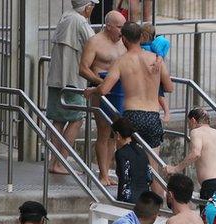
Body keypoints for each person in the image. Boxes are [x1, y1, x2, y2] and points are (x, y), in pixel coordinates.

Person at [85, 21, 174, 163]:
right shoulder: (156, 59)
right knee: (153, 169)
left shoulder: (121, 61)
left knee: (127, 165)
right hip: (153, 116)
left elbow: (104, 89)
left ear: (124, 39)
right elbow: (169, 88)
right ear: (140, 37)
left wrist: (92, 90)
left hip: (132, 115)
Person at [46, 0, 97, 175]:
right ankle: (61, 162)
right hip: (72, 79)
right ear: (87, 7)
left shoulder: (65, 16)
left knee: (58, 120)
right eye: (92, 6)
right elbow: (94, 43)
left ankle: (54, 162)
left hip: (56, 77)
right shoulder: (80, 21)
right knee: (77, 119)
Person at [79, 10, 126, 187]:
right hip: (101, 91)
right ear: (108, 26)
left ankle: (108, 172)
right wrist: (102, 82)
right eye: (119, 27)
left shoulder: (123, 42)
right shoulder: (95, 41)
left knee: (116, 134)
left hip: (119, 92)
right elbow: (83, 68)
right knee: (104, 132)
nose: (122, 31)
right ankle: (103, 174)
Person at [163, 109, 216, 200]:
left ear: (193, 120)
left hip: (211, 185)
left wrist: (175, 169)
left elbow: (196, 153)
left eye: (189, 124)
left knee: (211, 213)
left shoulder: (196, 132)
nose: (189, 127)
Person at [112, 117, 156, 202]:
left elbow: (123, 178)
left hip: (130, 198)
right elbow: (149, 177)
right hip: (144, 197)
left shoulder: (121, 153)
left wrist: (120, 200)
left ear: (117, 135)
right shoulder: (141, 150)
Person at [139, 24, 171, 122]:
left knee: (159, 95)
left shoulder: (153, 46)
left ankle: (167, 113)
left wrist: (158, 62)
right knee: (158, 95)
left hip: (154, 75)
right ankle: (165, 112)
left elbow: (160, 54)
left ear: (144, 36)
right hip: (151, 75)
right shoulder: (143, 46)